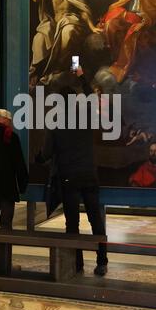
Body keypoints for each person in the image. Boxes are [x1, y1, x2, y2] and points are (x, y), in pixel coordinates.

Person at [38, 71, 108, 276]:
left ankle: (77, 263)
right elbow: (93, 100)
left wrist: (38, 158)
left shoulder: (55, 121)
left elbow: (46, 153)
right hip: (89, 174)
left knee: (72, 223)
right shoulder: (85, 114)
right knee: (96, 220)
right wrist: (83, 78)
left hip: (68, 177)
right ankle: (102, 261)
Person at [30, 0, 102, 88]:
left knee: (69, 32)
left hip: (72, 21)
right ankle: (35, 71)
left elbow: (83, 11)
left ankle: (66, 68)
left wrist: (92, 27)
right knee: (39, 38)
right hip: (56, 24)